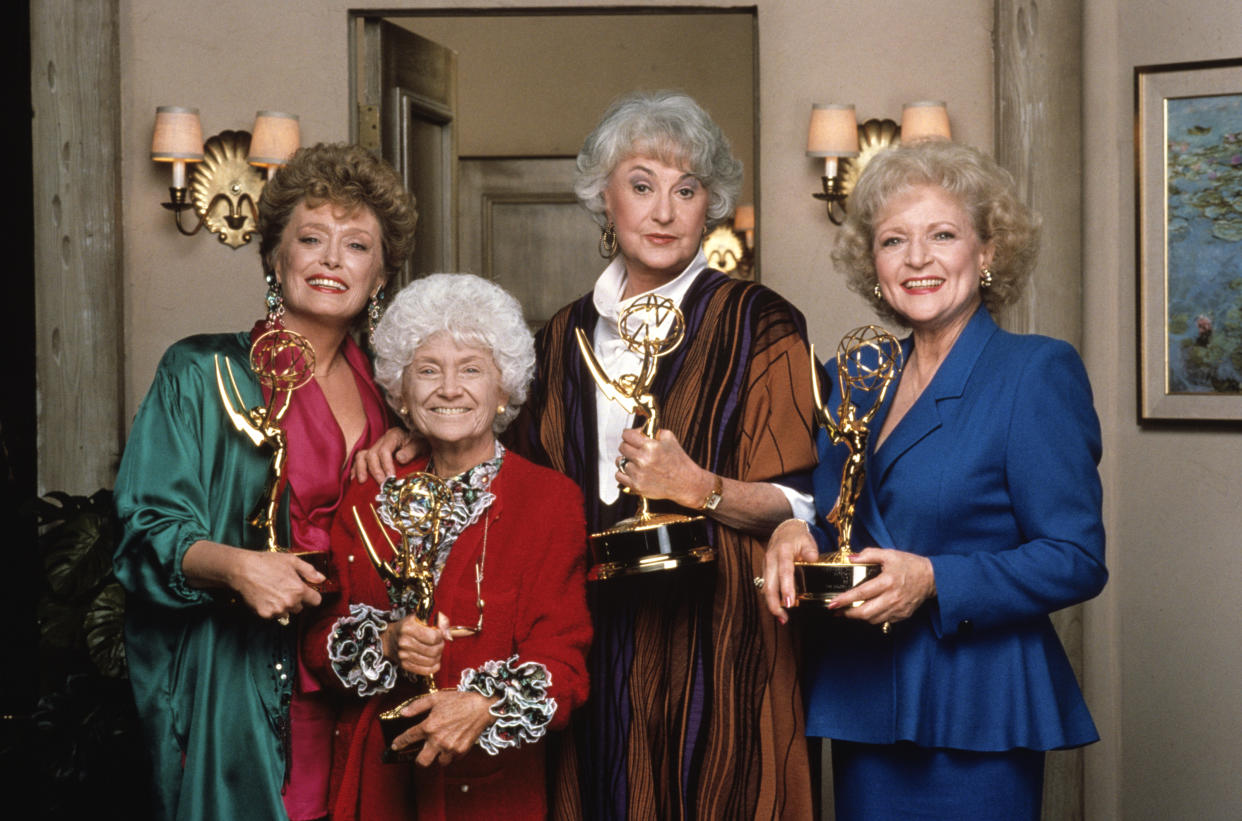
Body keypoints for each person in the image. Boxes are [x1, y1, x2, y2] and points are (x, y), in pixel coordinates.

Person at [360, 90, 820, 818]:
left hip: (726, 635)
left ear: (710, 205)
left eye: (687, 189)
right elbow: (508, 467)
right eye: (642, 186)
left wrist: (698, 487)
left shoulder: (760, 322)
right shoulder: (562, 337)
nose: (664, 211)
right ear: (605, 199)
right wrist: (421, 429)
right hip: (593, 636)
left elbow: (802, 503)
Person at [762, 138, 1107, 820]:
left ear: (987, 253)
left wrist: (934, 579)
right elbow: (839, 519)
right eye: (894, 240)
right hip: (864, 698)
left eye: (942, 235)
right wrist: (791, 531)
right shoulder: (855, 379)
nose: (917, 259)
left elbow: (1076, 558)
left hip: (978, 706)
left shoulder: (1033, 371)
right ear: (874, 264)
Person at [114, 142, 417, 821]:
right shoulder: (203, 374)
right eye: (311, 238)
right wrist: (239, 568)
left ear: (382, 274)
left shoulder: (393, 395)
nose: (332, 260)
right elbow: (142, 538)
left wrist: (419, 437)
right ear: (276, 259)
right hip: (243, 680)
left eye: (357, 245)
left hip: (361, 687)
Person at [306, 273, 591, 820]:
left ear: (504, 387)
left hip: (493, 786)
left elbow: (565, 659)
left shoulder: (549, 500)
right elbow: (317, 643)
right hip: (377, 780)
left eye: (472, 369)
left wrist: (485, 704)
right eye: (428, 370)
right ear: (400, 393)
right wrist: (385, 642)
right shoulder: (368, 494)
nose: (450, 388)